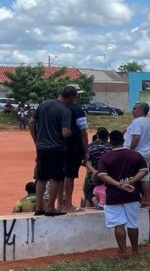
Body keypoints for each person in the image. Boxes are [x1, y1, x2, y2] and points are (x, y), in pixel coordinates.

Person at [96, 130, 149, 259]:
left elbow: (102, 176)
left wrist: (118, 184)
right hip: (132, 193)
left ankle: (123, 251)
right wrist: (131, 181)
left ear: (110, 141)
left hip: (114, 195)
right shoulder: (135, 155)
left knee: (118, 224)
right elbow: (144, 171)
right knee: (132, 223)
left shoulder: (106, 157)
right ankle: (135, 251)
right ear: (124, 140)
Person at [29, 85, 76, 216]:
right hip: (57, 148)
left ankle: (39, 207)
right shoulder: (65, 110)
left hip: (42, 147)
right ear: (71, 97)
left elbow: (31, 123)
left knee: (41, 177)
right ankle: (50, 207)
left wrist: (37, 142)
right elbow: (65, 132)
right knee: (56, 178)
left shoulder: (44, 104)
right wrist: (71, 133)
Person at [61, 85, 89, 213]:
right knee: (70, 176)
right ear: (74, 96)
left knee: (58, 176)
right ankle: (68, 204)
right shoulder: (77, 110)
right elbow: (83, 133)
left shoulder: (56, 107)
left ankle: (59, 203)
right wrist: (86, 151)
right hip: (73, 146)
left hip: (57, 146)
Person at [123, 102, 150, 207]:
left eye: (134, 108)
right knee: (146, 176)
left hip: (136, 152)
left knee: (131, 175)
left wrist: (130, 151)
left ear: (141, 110)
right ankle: (147, 199)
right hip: (147, 152)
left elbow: (136, 137)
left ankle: (134, 198)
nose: (132, 110)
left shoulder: (137, 121)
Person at [83, 127, 110, 208]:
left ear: (97, 136)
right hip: (108, 178)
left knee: (89, 197)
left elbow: (88, 163)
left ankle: (88, 215)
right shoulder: (111, 147)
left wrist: (95, 172)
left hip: (92, 177)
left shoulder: (90, 147)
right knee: (106, 198)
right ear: (107, 137)